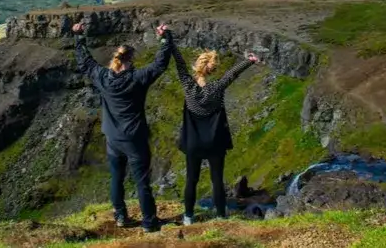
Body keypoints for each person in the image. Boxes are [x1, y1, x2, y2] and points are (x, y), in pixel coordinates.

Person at [72, 19, 172, 232]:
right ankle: (149, 222)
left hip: (112, 139)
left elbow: (85, 63)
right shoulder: (137, 78)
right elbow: (160, 65)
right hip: (134, 139)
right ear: (131, 59)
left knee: (116, 178)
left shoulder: (102, 77)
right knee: (142, 182)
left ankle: (120, 216)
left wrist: (79, 37)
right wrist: (165, 40)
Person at [165, 29, 258, 225]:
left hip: (193, 143)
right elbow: (232, 75)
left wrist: (168, 39)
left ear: (197, 67)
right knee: (217, 180)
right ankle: (221, 216)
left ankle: (188, 216)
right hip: (215, 142)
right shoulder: (217, 88)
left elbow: (179, 62)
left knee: (192, 180)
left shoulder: (188, 86)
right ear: (212, 69)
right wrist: (249, 61)